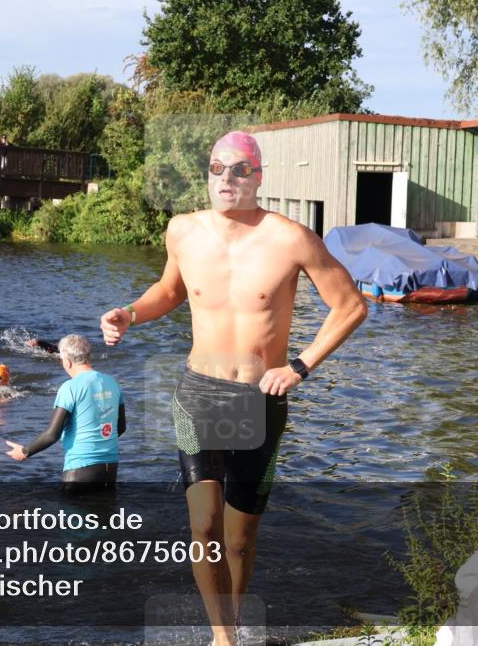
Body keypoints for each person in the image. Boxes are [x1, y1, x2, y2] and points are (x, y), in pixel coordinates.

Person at [98, 130, 367, 645]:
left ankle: (235, 625)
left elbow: (351, 305)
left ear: (259, 177)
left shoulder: (290, 238)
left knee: (240, 539)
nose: (228, 179)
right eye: (218, 168)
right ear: (208, 175)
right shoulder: (183, 231)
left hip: (261, 400)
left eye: (241, 169)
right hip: (198, 392)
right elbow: (170, 290)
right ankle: (222, 638)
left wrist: (300, 366)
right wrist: (130, 312)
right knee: (203, 525)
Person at [5, 335, 125, 493]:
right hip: (110, 467)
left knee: (72, 516)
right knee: (104, 515)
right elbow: (121, 427)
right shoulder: (112, 383)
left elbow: (52, 434)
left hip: (80, 468)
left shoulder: (70, 387)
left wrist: (25, 451)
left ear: (67, 361)